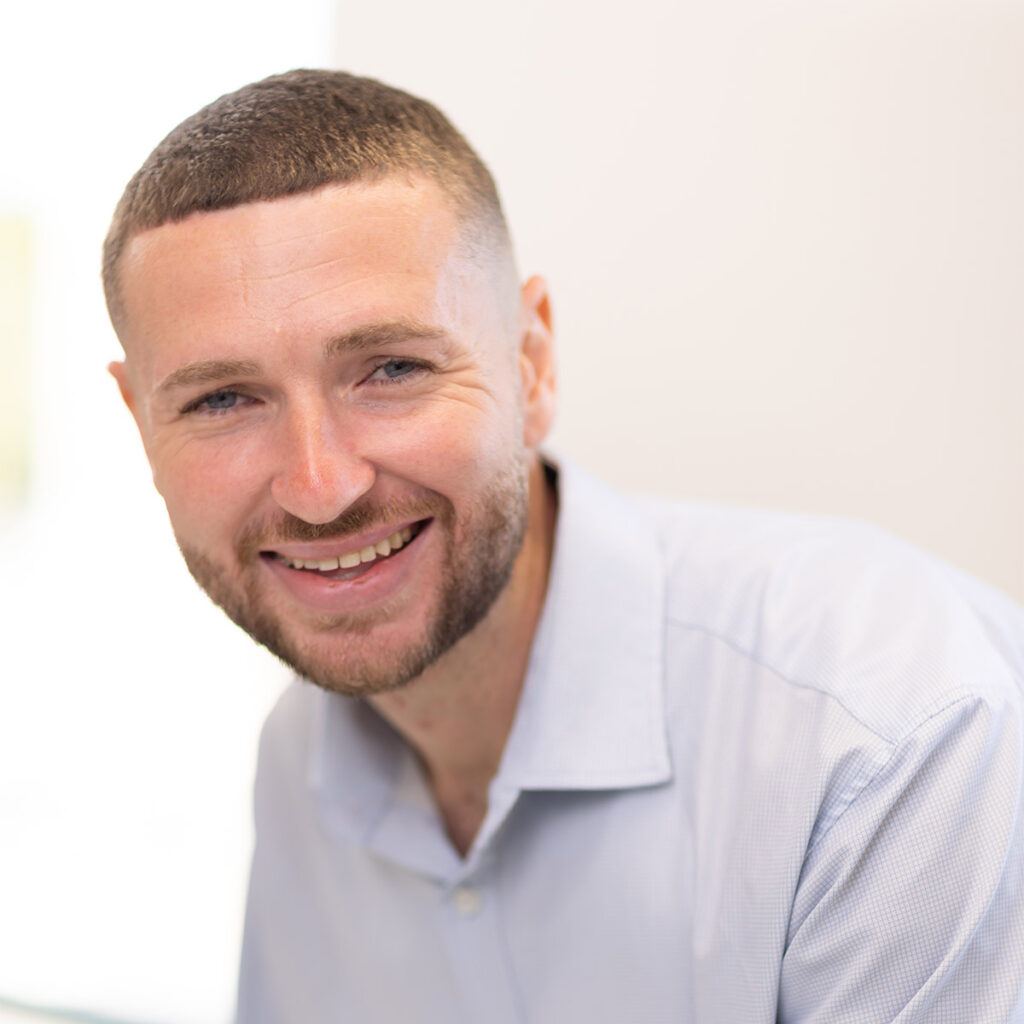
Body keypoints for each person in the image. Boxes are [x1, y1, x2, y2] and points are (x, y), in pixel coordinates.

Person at [103, 69, 1024, 1023]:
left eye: (392, 369)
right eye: (223, 399)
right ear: (141, 426)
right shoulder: (302, 754)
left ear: (532, 366)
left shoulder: (888, 732)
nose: (319, 485)